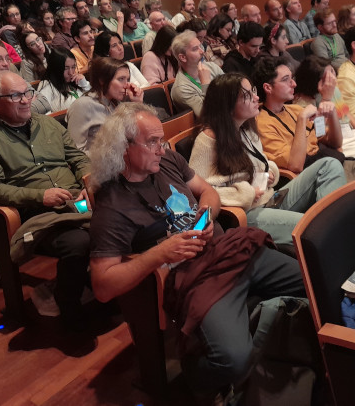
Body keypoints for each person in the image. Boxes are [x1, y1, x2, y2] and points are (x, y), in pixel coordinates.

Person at [87, 102, 305, 401]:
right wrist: (161, 253)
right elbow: (102, 285)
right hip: (193, 278)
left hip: (226, 251)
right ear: (123, 147)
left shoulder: (168, 162)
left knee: (311, 282)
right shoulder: (113, 206)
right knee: (232, 360)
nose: (161, 149)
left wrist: (207, 214)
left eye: (161, 140)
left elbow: (208, 192)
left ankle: (261, 325)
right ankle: (194, 371)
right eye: (152, 142)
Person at [0, 70, 91, 329]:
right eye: (15, 95)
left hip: (74, 199)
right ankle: (69, 306)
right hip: (36, 212)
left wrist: (88, 182)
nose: (26, 100)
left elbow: (78, 158)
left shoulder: (47, 123)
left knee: (120, 215)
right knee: (78, 241)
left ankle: (101, 286)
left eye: (27, 93)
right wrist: (40, 196)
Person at [189, 73, 345, 247]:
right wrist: (245, 193)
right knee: (314, 226)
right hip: (247, 213)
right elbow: (197, 193)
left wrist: (269, 171)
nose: (256, 98)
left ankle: (335, 224)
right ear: (229, 105)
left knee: (329, 165)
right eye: (248, 95)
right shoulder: (207, 139)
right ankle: (334, 231)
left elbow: (260, 161)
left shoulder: (246, 127)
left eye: (253, 91)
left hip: (270, 198)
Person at [251, 57, 350, 176]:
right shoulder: (262, 123)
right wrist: (302, 119)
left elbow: (335, 143)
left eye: (292, 78)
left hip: (330, 162)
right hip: (316, 174)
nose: (294, 84)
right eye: (285, 80)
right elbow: (296, 165)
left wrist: (332, 110)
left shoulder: (295, 109)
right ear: (268, 88)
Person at [294, 55, 355, 161]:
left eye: (332, 72)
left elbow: (345, 112)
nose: (333, 79)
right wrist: (326, 98)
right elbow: (319, 135)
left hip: (352, 133)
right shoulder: (303, 104)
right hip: (340, 144)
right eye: (327, 78)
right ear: (313, 81)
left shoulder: (334, 89)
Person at [67, 56, 143, 152]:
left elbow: (136, 135)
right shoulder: (82, 105)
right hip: (99, 164)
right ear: (102, 80)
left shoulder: (118, 102)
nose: (126, 85)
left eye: (127, 79)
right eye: (121, 79)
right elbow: (76, 153)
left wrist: (137, 103)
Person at [170, 30, 224, 116]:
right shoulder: (182, 88)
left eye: (200, 46)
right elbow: (208, 116)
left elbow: (231, 91)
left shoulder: (212, 66)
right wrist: (205, 83)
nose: (202, 51)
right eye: (195, 49)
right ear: (183, 57)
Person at [37, 47, 90, 112]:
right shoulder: (47, 86)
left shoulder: (76, 80)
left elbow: (94, 99)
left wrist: (84, 84)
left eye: (73, 67)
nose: (71, 72)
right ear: (55, 68)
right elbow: (44, 115)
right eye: (66, 68)